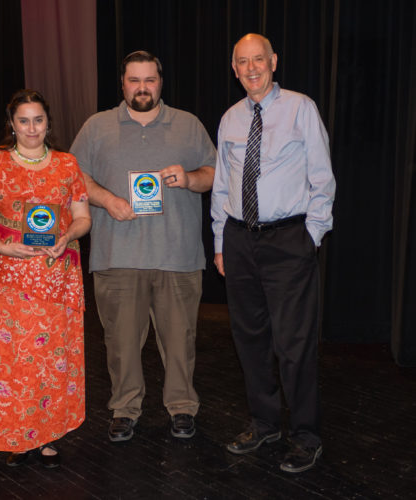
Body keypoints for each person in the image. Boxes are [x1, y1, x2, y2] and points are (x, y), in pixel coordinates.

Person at [70, 50, 216, 442]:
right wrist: (107, 199)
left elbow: (213, 174)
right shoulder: (97, 127)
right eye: (134, 80)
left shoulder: (188, 125)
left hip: (178, 257)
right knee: (120, 342)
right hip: (117, 257)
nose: (142, 88)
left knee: (181, 340)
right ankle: (124, 408)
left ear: (160, 82)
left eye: (149, 80)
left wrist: (188, 179)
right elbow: (72, 177)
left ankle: (182, 407)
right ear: (122, 84)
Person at [211, 34, 335, 473]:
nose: (251, 68)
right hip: (240, 239)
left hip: (288, 240)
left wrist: (311, 235)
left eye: (258, 60)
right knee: (250, 340)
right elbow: (223, 186)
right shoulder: (229, 118)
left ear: (273, 61)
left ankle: (305, 435)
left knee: (294, 344)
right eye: (242, 62)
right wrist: (221, 241)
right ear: (234, 68)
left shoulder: (301, 108)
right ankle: (265, 423)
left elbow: (323, 178)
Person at [0, 89, 92, 468]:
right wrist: (3, 248)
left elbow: (83, 218)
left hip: (58, 278)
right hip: (10, 279)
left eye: (38, 120)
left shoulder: (67, 165)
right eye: (24, 120)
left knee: (54, 360)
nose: (32, 128)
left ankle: (48, 436)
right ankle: (17, 438)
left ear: (48, 123)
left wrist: (67, 236)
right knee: (16, 361)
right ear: (12, 124)